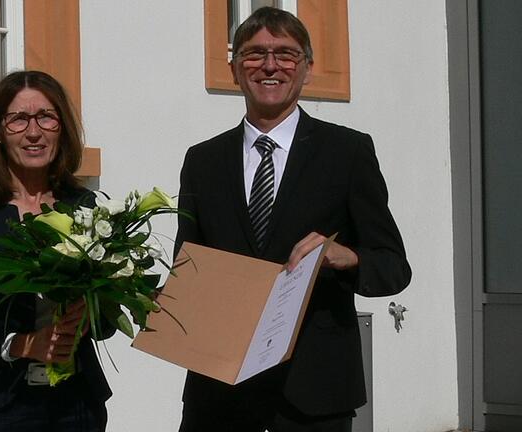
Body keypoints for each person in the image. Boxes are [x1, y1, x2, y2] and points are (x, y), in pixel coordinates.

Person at [174, 7, 411, 432]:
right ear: (233, 68)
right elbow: (187, 266)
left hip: (314, 393)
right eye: (254, 54)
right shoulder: (202, 160)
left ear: (307, 69)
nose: (269, 65)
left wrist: (346, 256)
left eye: (285, 54)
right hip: (220, 392)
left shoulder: (348, 153)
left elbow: (393, 265)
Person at [0, 70, 112, 432]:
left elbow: (105, 320)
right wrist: (23, 344)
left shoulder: (84, 206)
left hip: (76, 408)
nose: (33, 132)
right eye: (18, 119)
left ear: (62, 128)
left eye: (46, 117)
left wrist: (90, 316)